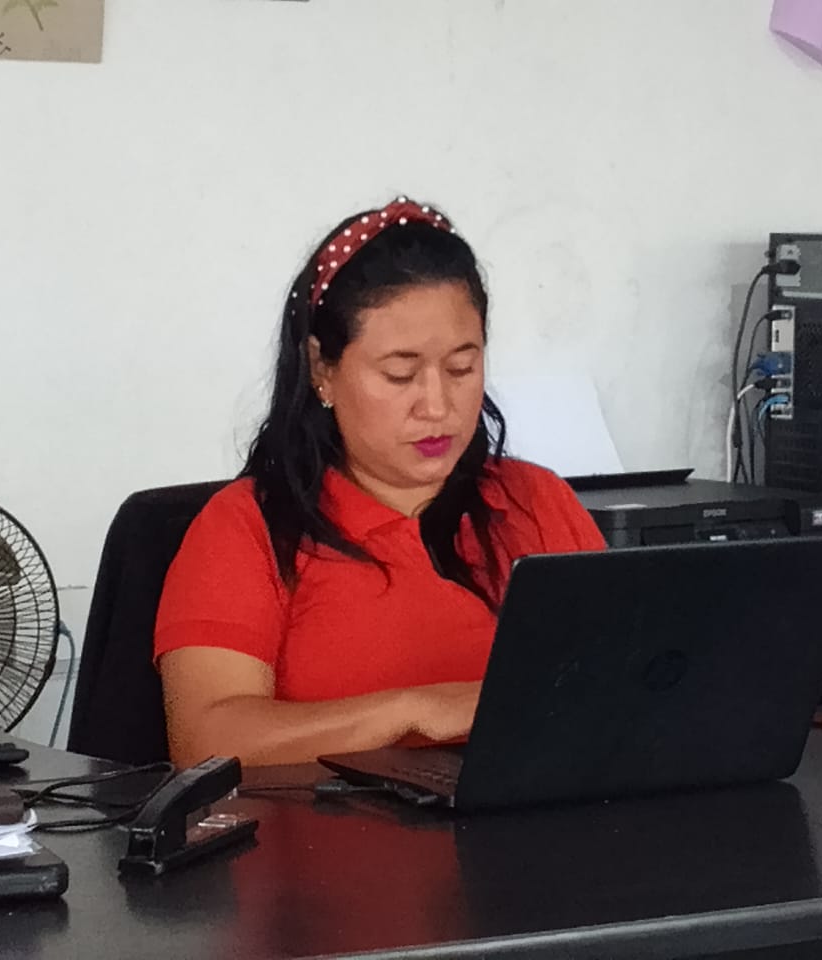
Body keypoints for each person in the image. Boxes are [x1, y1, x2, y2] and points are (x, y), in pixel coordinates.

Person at [155, 196, 607, 768]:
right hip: (325, 827)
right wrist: (415, 712)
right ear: (322, 369)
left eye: (462, 367)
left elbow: (622, 688)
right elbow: (203, 742)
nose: (437, 405)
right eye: (400, 374)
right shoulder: (248, 527)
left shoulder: (534, 501)